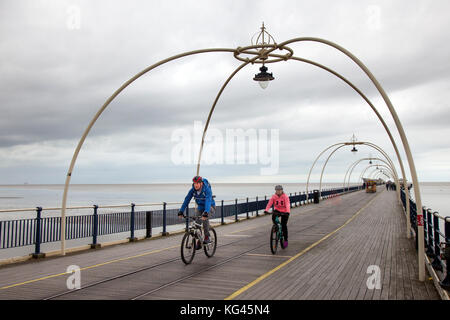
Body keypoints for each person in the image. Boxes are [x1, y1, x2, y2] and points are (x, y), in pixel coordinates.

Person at [178, 176, 216, 244]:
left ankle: (207, 237)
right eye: (195, 183)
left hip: (210, 207)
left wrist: (206, 212)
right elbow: (187, 200)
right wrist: (181, 211)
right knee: (196, 224)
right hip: (200, 208)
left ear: (201, 183)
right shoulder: (192, 190)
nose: (196, 185)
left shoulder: (207, 189)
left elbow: (208, 201)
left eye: (198, 183)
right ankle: (200, 239)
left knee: (204, 219)